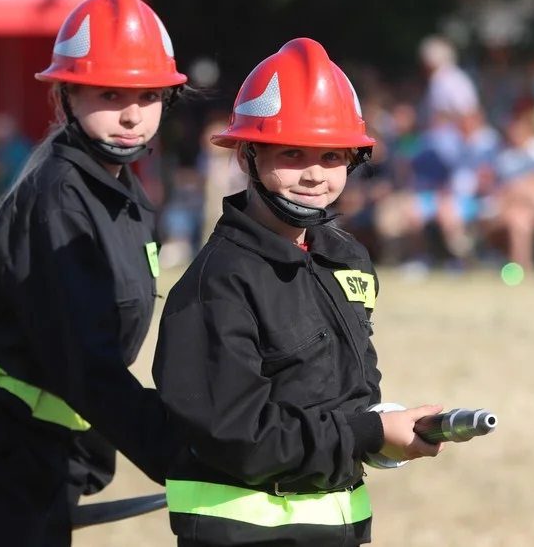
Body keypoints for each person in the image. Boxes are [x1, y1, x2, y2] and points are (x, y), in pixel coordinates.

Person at [0, 0, 187, 547]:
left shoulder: (122, 196)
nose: (132, 115)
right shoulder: (61, 198)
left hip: (38, 447)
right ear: (64, 96)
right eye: (109, 95)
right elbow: (83, 360)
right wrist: (178, 452)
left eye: (148, 96)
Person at [153, 38, 445, 547]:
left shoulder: (345, 258)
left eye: (332, 155)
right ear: (247, 155)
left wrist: (383, 429)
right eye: (292, 153)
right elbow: (241, 436)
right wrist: (369, 435)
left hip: (335, 529)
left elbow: (349, 394)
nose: (313, 174)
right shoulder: (219, 284)